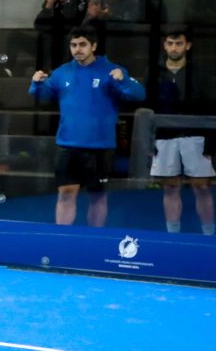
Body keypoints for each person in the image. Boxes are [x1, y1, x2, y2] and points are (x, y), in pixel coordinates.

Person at [29, 29, 146, 227]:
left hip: (100, 146)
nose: (77, 49)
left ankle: (95, 238)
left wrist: (123, 80)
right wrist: (37, 83)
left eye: (82, 44)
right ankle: (63, 237)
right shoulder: (62, 72)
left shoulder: (111, 70)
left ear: (94, 46)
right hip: (68, 144)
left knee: (98, 196)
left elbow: (139, 94)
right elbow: (43, 95)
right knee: (66, 193)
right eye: (73, 45)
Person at [148, 29, 215, 234]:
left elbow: (211, 108)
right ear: (165, 45)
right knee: (170, 188)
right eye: (170, 43)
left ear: (187, 46)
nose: (174, 48)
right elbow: (149, 109)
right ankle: (173, 235)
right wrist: (150, 140)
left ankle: (209, 235)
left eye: (178, 44)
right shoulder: (155, 74)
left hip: (196, 137)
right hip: (164, 137)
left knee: (202, 187)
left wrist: (211, 140)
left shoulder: (201, 74)